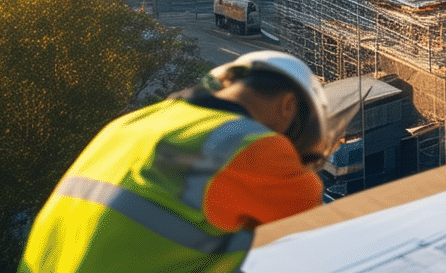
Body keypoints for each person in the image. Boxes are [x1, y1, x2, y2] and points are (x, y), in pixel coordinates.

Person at [19, 51, 350, 273]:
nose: (296, 160)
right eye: (301, 150)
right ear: (288, 107)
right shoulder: (256, 146)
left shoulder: (131, 123)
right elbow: (322, 250)